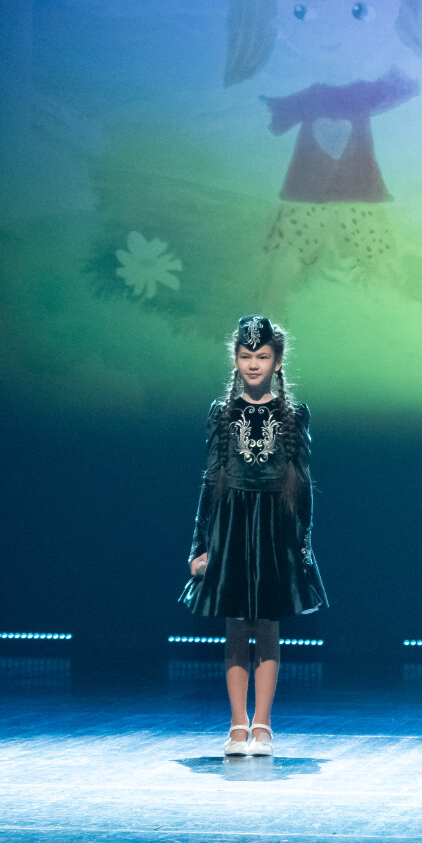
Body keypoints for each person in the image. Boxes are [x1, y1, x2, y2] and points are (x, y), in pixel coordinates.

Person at [224, 0, 422, 313]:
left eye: (358, 11)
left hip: (346, 188)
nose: (329, 33)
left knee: (366, 254)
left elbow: (394, 90)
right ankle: (274, 307)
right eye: (302, 12)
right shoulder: (331, 95)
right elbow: (280, 112)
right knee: (296, 251)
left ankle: (382, 310)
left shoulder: (347, 95)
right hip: (324, 188)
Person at [181, 315, 327, 755]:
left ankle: (263, 724)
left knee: (266, 625)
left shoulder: (294, 414)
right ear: (235, 360)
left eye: (262, 356)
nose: (253, 364)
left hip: (274, 528)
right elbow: (210, 481)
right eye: (246, 356)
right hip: (231, 525)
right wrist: (199, 546)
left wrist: (303, 547)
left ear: (277, 362)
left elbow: (302, 485)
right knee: (235, 624)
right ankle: (236, 724)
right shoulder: (222, 413)